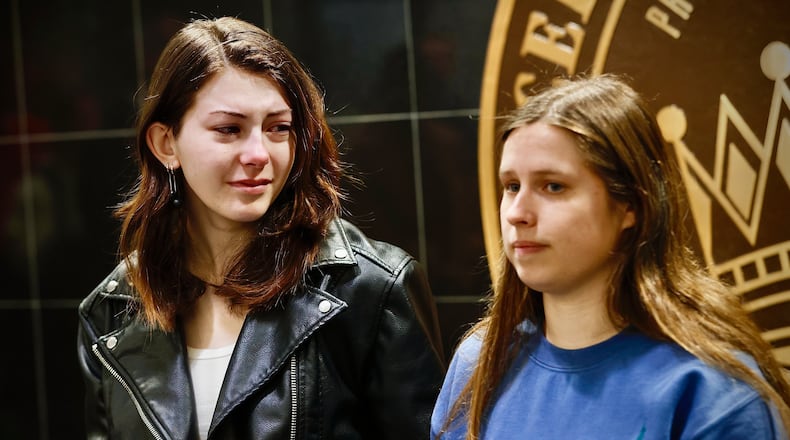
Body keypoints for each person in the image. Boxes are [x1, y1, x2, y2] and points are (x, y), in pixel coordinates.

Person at [77, 16, 445, 440]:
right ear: (166, 144)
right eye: (229, 130)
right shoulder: (111, 309)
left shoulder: (369, 288)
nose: (258, 153)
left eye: (278, 128)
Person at [431, 74, 790, 439]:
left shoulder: (711, 393)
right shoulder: (479, 364)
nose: (516, 212)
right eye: (512, 186)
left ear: (630, 205)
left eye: (553, 186)